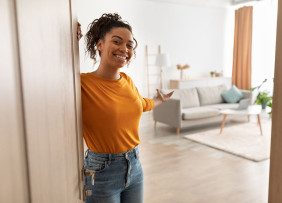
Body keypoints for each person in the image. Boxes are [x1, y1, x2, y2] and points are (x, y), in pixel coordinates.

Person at [79, 13, 173, 203]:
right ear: (100, 44)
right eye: (116, 41)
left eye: (129, 45)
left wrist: (159, 100)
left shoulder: (127, 81)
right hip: (101, 172)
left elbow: (140, 104)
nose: (124, 49)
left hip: (135, 166)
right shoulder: (81, 84)